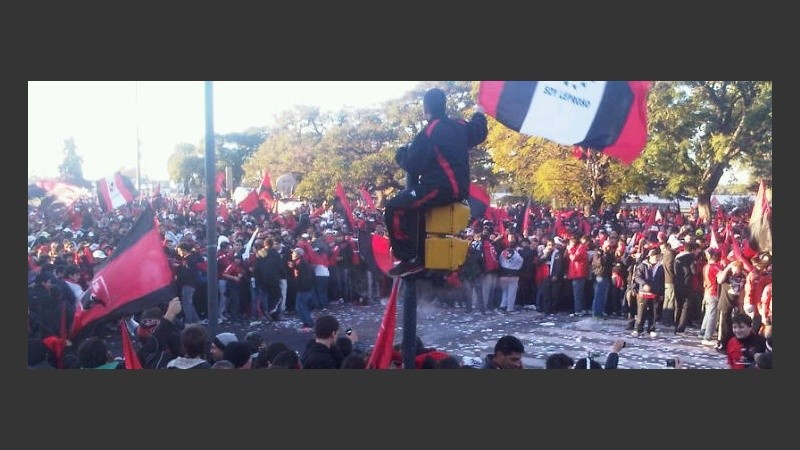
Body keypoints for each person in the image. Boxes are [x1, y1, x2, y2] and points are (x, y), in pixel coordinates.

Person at [384, 87, 488, 277]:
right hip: (458, 187)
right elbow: (479, 131)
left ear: (425, 110)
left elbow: (412, 163)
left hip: (442, 187)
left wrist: (400, 153)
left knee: (394, 208)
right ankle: (421, 258)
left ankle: (409, 260)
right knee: (416, 211)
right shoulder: (459, 125)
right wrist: (480, 113)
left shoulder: (430, 131)